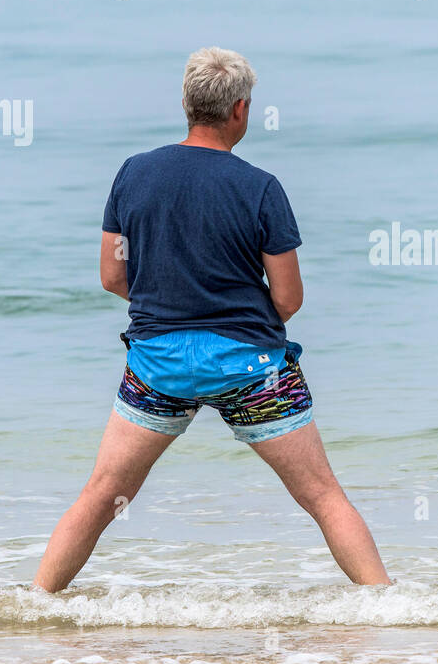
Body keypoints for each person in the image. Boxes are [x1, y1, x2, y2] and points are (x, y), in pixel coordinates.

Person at [33, 47, 390, 591]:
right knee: (322, 496)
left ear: (186, 103)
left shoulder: (133, 174)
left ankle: (37, 603)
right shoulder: (261, 187)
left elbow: (111, 277)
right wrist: (239, 321)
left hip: (158, 365)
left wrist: (167, 303)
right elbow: (289, 299)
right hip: (251, 367)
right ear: (241, 110)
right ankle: (386, 610)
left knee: (102, 495)